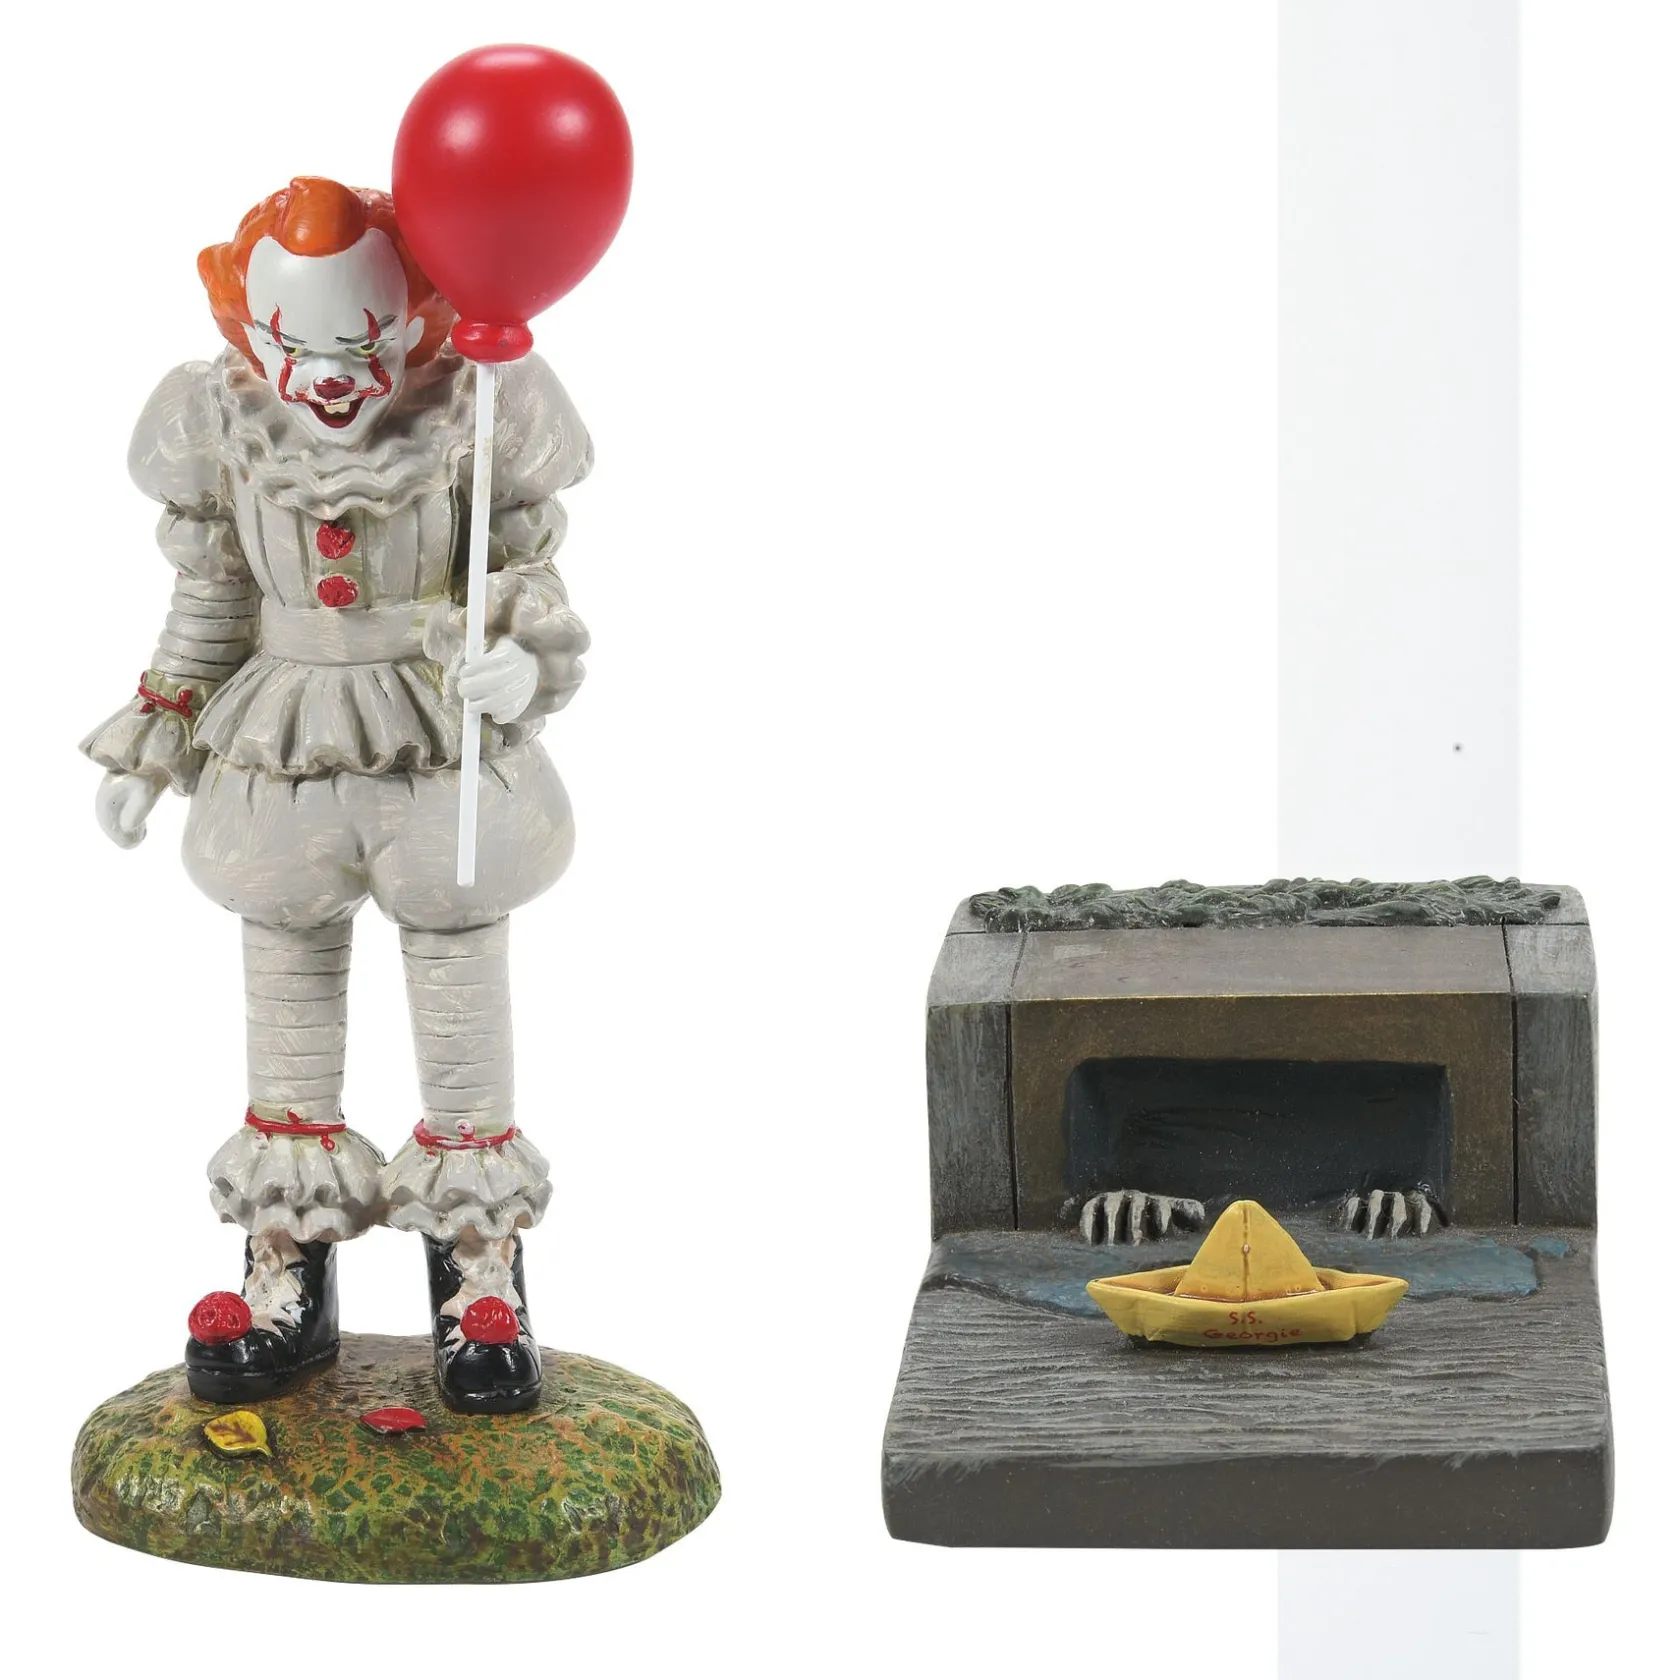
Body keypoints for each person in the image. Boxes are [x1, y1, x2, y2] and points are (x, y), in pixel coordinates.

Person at [83, 176, 591, 1413]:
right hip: (283, 737)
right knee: (287, 989)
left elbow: (527, 575)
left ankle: (477, 1268)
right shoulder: (220, 422)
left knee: (457, 977)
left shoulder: (471, 408)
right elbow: (213, 597)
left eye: (360, 343)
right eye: (292, 342)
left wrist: (520, 658)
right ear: (247, 328)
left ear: (416, 319)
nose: (324, 375)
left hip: (433, 733)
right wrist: (157, 729)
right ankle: (288, 1267)